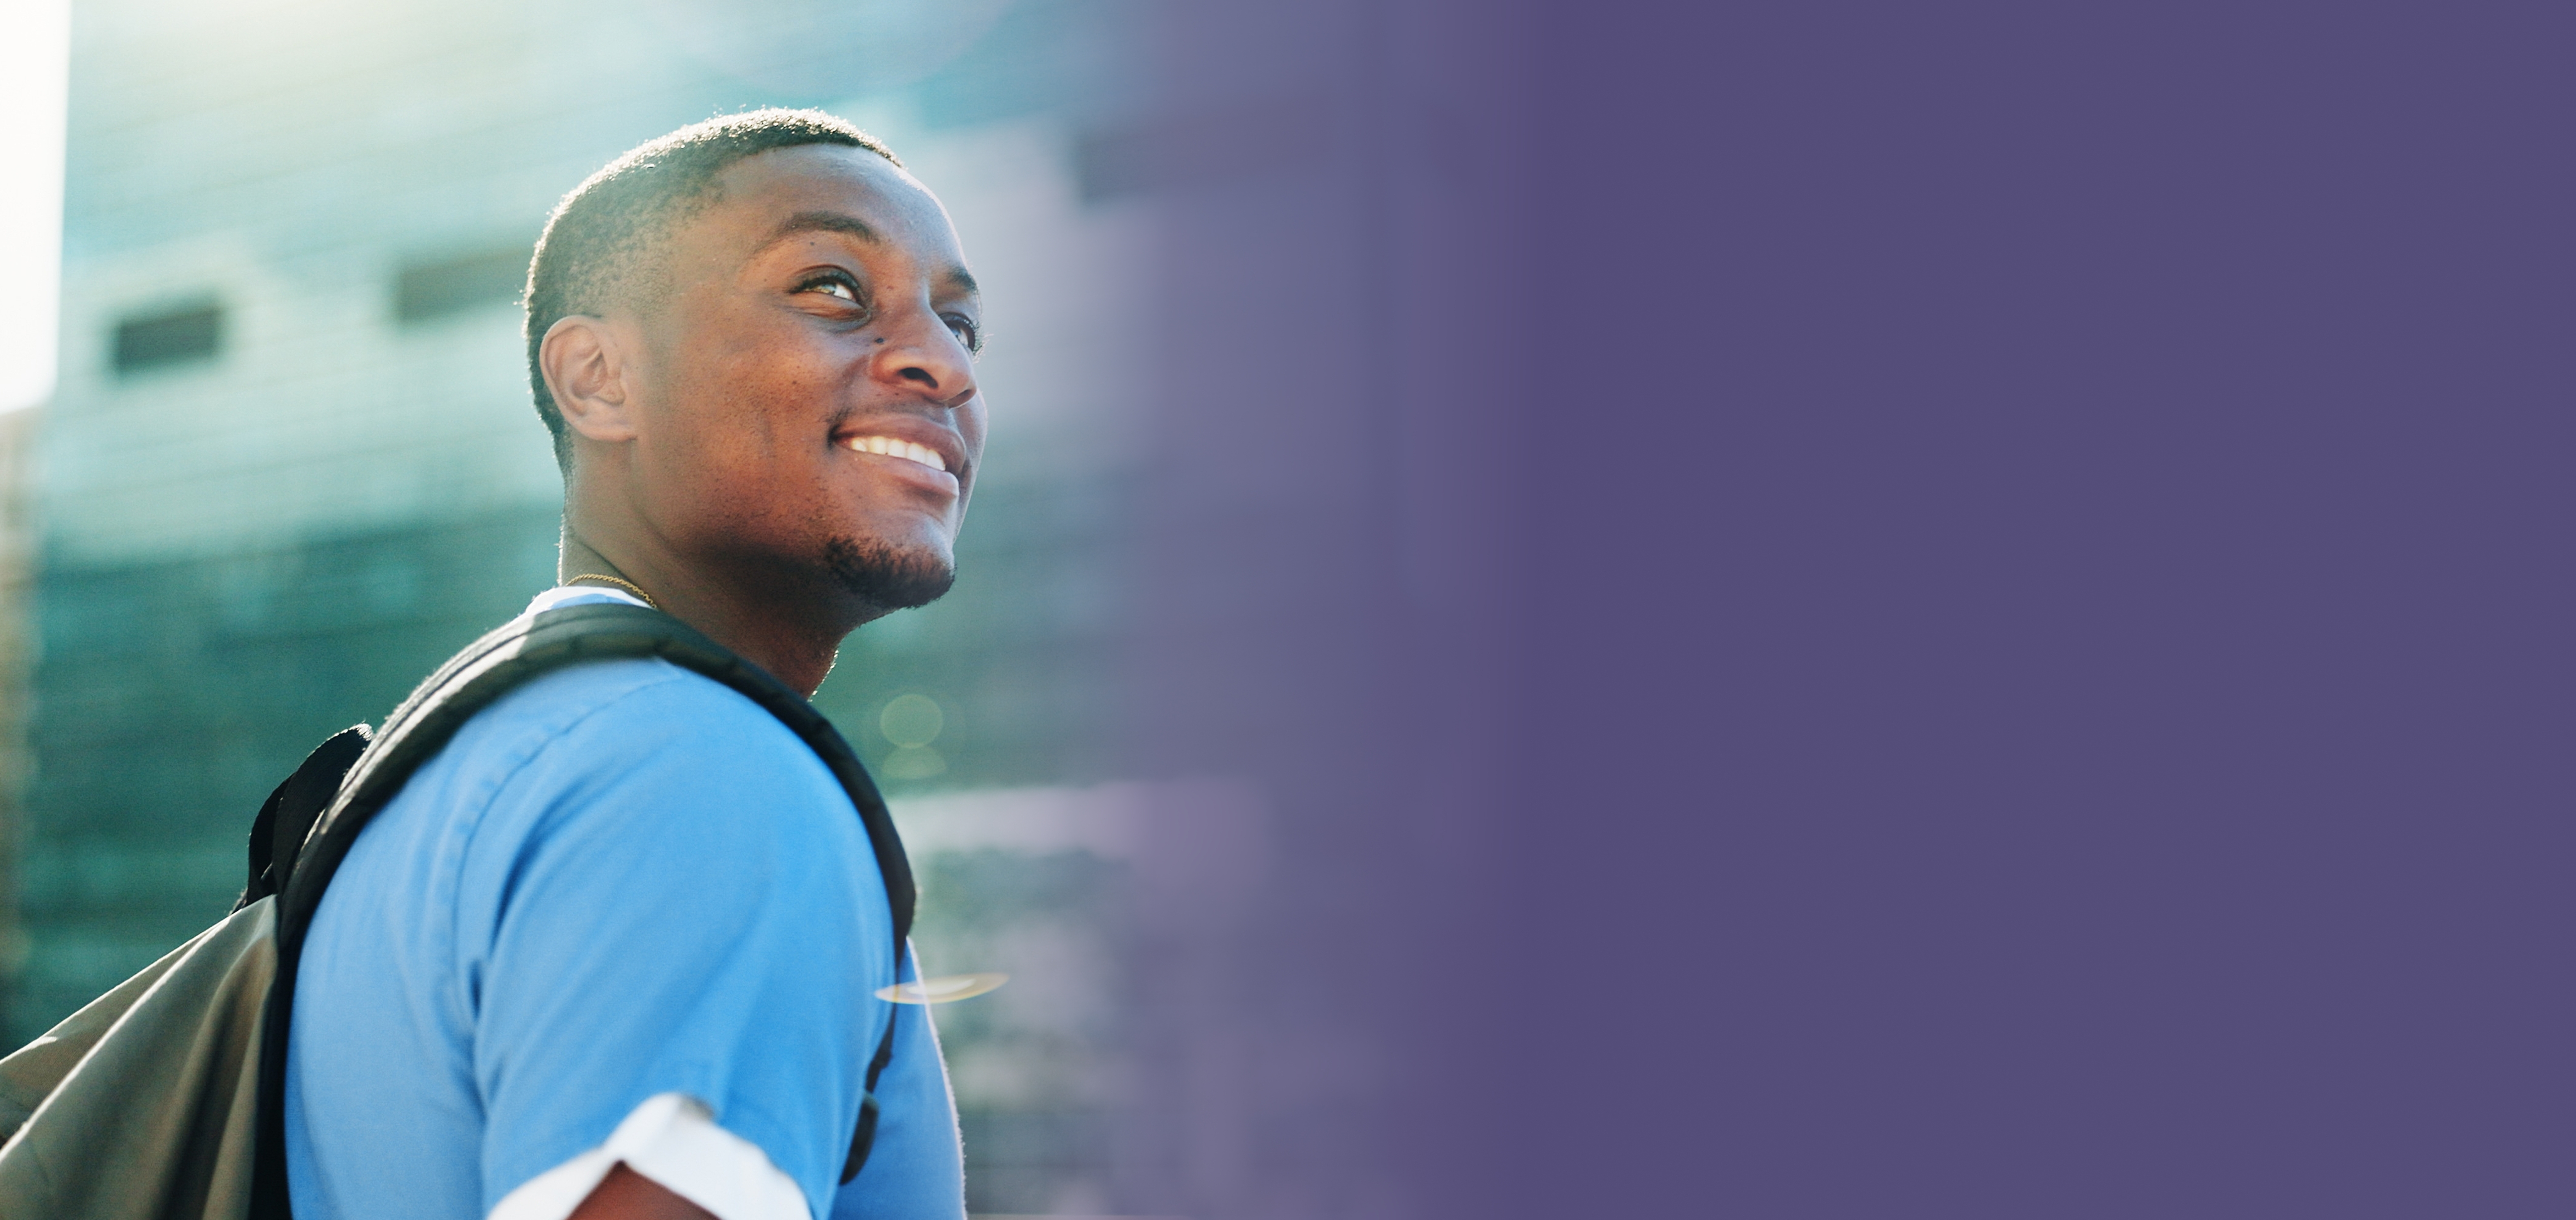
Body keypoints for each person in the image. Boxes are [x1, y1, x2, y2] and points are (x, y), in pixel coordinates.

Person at [281, 109, 987, 1220]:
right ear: (601, 379)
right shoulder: (707, 775)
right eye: (833, 289)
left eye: (960, 325)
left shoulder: (462, 779)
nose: (943, 365)